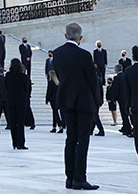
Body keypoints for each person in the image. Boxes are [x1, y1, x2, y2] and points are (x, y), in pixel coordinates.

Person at [53, 22, 101, 191]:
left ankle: (70, 177)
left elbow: (59, 75)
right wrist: (94, 98)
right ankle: (79, 178)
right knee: (83, 139)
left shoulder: (57, 53)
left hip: (66, 99)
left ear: (65, 35)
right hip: (83, 100)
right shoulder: (85, 55)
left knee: (71, 139)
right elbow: (92, 80)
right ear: (80, 37)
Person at [5, 58, 31, 150]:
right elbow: (27, 89)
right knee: (20, 123)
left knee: (12, 122)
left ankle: (14, 142)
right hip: (21, 101)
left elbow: (6, 86)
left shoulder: (8, 75)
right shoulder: (24, 77)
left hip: (11, 101)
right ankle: (21, 143)